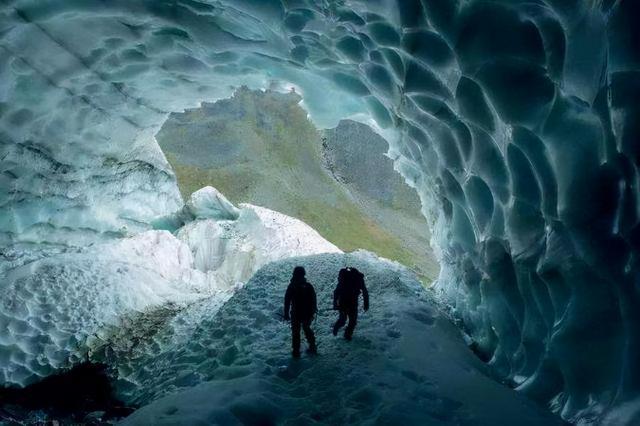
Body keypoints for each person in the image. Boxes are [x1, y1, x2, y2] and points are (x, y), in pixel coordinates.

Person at [284, 266, 317, 358]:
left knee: (296, 332)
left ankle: (296, 351)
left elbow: (287, 301)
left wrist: (286, 313)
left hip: (296, 313)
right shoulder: (308, 286)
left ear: (294, 274)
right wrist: (313, 311)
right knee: (307, 329)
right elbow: (313, 300)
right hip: (307, 313)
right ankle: (312, 346)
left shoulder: (292, 286)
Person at [332, 267, 369, 340]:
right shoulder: (359, 279)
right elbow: (365, 291)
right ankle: (346, 335)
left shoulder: (347, 278)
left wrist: (335, 303)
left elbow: (336, 291)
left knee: (344, 320)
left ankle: (342, 332)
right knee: (352, 321)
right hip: (350, 302)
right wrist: (366, 303)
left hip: (344, 301)